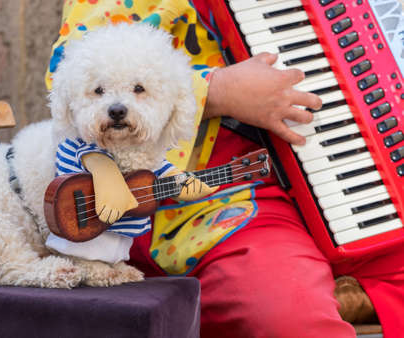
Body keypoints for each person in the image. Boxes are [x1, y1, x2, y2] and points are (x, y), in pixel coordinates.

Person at [45, 1, 404, 337]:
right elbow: (71, 74)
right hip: (216, 199)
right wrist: (220, 92)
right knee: (292, 320)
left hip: (373, 189)